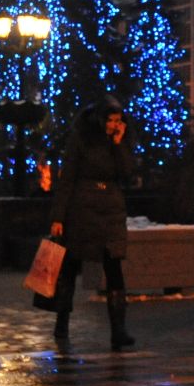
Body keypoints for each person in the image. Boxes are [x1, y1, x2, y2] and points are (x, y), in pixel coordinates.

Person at [48, 98, 136, 349]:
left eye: (119, 120)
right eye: (110, 120)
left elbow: (128, 172)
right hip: (82, 210)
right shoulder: (82, 139)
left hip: (110, 210)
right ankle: (62, 321)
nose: (115, 125)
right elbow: (68, 178)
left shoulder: (120, 141)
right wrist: (58, 217)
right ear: (100, 119)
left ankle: (118, 331)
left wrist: (119, 145)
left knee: (114, 267)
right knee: (70, 266)